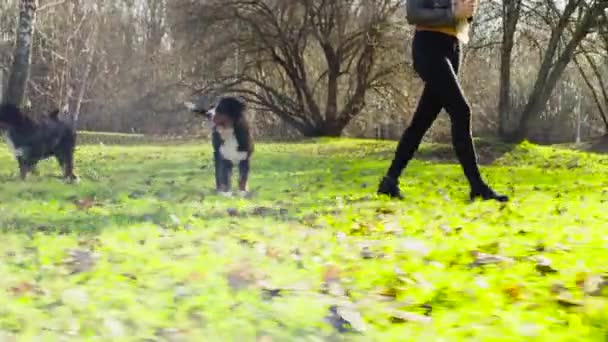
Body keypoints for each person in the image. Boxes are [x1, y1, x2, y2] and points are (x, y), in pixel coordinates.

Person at [377, 0, 508, 202]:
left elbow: (463, 16)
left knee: (422, 121)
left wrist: (468, 10)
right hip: (429, 47)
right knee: (461, 111)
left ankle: (390, 181)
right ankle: (477, 186)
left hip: (453, 48)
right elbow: (413, 13)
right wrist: (454, 12)